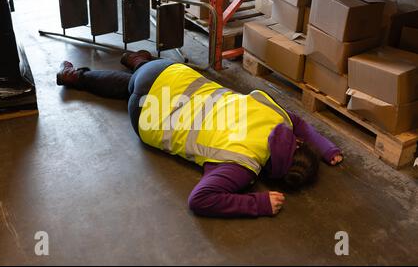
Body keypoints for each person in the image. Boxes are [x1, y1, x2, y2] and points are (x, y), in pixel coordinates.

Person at [56, 50, 343, 218]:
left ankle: (135, 60)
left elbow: (303, 125)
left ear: (298, 143)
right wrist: (259, 203)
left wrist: (328, 148)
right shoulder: (241, 166)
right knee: (135, 87)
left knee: (146, 72)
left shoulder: (277, 117)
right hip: (146, 117)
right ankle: (82, 77)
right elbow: (200, 200)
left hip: (169, 75)